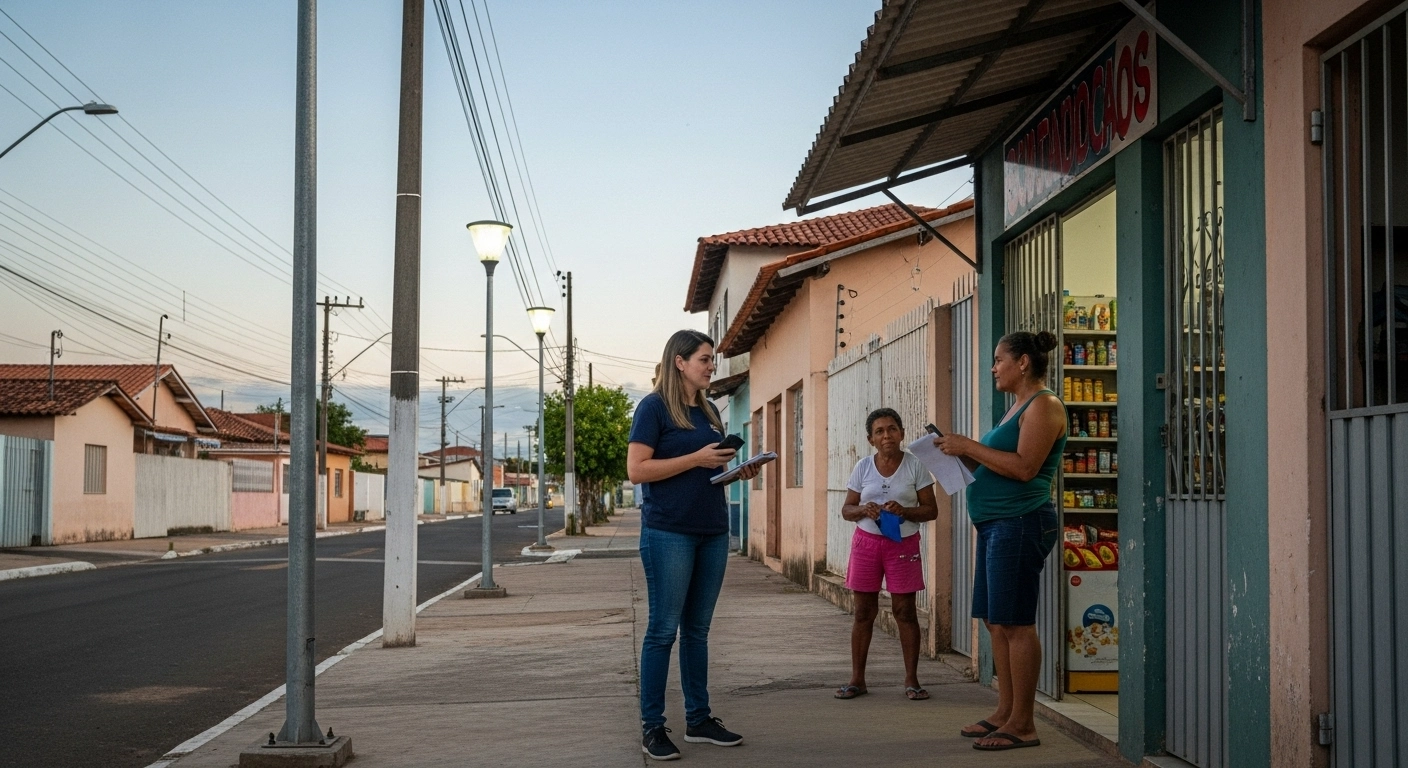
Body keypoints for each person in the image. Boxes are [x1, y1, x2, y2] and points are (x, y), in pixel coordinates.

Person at [627, 329, 760, 761]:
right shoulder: (653, 408)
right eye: (704, 359)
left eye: (712, 360)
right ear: (680, 362)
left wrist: (735, 471)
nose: (711, 367)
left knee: (697, 631)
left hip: (712, 530)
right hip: (669, 531)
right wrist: (696, 459)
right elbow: (637, 470)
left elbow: (706, 473)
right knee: (663, 630)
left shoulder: (709, 411)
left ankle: (699, 719)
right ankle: (652, 727)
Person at [935, 330, 1066, 752]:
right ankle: (1005, 712)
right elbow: (996, 463)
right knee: (995, 621)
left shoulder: (1044, 405)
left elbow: (1025, 467)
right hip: (997, 525)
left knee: (1015, 622)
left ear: (1023, 362)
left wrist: (969, 446)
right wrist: (956, 452)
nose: (993, 368)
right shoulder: (1015, 409)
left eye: (998, 360)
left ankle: (1024, 724)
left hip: (1021, 522)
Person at [834, 408, 938, 702]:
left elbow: (931, 510)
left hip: (902, 545)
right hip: (866, 545)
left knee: (905, 611)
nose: (886, 435)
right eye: (879, 431)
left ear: (901, 434)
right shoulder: (863, 467)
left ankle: (912, 680)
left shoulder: (915, 466)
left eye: (892, 429)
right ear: (871, 439)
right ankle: (857, 680)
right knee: (863, 612)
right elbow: (846, 510)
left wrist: (905, 511)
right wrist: (862, 509)